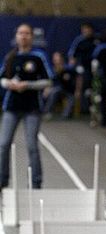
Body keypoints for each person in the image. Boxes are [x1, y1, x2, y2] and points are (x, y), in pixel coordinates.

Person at [0, 23, 53, 189]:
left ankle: (36, 183)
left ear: (31, 36)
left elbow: (48, 81)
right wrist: (9, 84)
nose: (23, 36)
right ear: (16, 36)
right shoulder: (10, 57)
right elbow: (2, 79)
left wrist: (27, 85)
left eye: (27, 33)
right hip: (11, 107)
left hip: (32, 108)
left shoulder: (38, 57)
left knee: (31, 145)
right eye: (20, 33)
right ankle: (2, 180)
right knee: (3, 144)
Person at [68, 22, 97, 114]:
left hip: (94, 68)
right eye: (84, 30)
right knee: (82, 82)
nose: (86, 31)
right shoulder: (79, 40)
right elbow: (72, 55)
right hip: (82, 67)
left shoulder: (96, 40)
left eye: (87, 29)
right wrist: (73, 63)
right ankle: (84, 108)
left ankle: (93, 107)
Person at [43, 52, 76, 119]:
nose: (55, 59)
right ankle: (46, 112)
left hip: (68, 90)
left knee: (71, 98)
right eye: (54, 58)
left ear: (61, 59)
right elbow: (50, 80)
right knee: (53, 92)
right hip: (56, 90)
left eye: (57, 57)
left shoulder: (68, 68)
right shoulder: (51, 69)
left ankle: (65, 115)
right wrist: (47, 88)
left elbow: (73, 70)